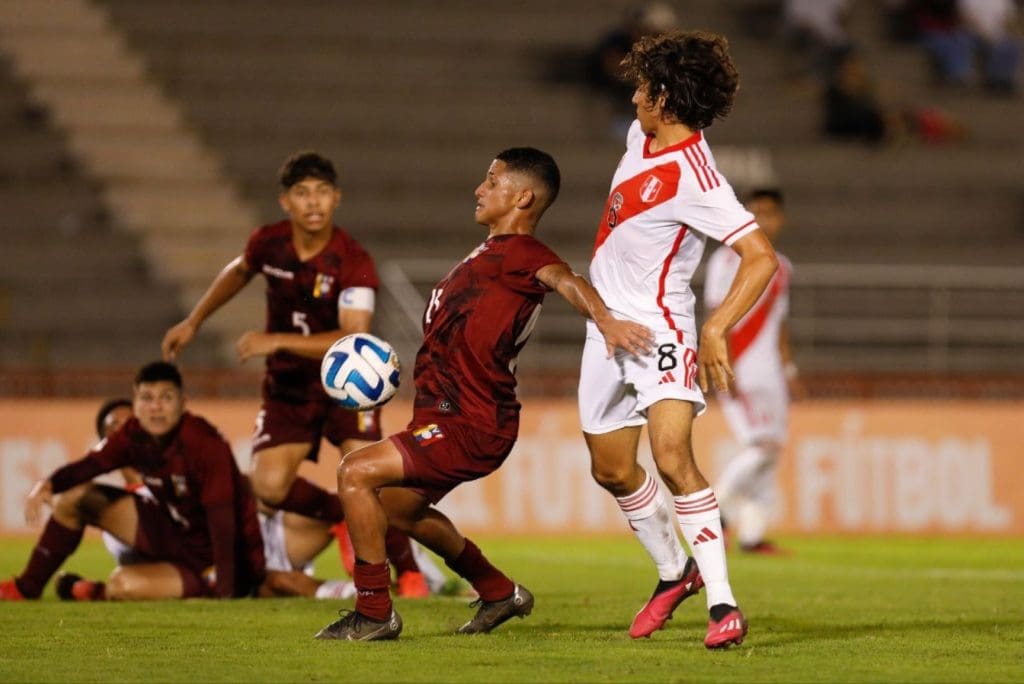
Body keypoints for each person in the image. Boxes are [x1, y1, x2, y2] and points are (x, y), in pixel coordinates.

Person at [313, 147, 653, 641]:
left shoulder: (522, 252)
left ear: (522, 196)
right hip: (442, 412)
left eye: (491, 181)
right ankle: (499, 592)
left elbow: (564, 278)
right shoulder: (487, 256)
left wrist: (603, 318)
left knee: (355, 472)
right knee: (399, 510)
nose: (479, 189)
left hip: (471, 422)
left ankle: (373, 611)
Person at [578, 30, 779, 649]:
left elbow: (760, 257)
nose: (634, 94)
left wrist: (717, 325)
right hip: (607, 329)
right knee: (610, 469)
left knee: (671, 457)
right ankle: (675, 573)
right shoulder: (641, 137)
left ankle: (723, 604)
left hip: (662, 328)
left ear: (664, 98)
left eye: (643, 86)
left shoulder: (698, 176)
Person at [160, 150, 431, 596]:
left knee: (370, 475)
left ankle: (409, 572)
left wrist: (276, 340)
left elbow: (353, 335)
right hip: (289, 387)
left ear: (336, 199)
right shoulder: (269, 244)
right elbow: (240, 270)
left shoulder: (352, 260)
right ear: (285, 201)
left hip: (348, 390)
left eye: (322, 192)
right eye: (303, 193)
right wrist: (194, 321)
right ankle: (341, 517)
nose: (313, 203)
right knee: (267, 487)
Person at [0, 361, 266, 601]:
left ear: (183, 403)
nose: (156, 407)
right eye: (147, 398)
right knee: (76, 498)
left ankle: (94, 592)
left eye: (166, 398)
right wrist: (48, 484)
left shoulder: (204, 443)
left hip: (217, 556)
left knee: (122, 586)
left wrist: (226, 590)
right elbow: (91, 465)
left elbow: (223, 522)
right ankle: (26, 588)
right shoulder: (133, 434)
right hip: (173, 534)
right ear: (136, 404)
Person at [704, 188, 801, 554]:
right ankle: (716, 510)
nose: (763, 220)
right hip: (740, 367)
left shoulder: (783, 265)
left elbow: (780, 323)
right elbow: (717, 314)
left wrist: (790, 370)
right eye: (755, 212)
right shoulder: (727, 260)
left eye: (770, 213)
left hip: (772, 372)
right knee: (763, 446)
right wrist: (722, 364)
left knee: (769, 451)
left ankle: (752, 535)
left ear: (781, 219)